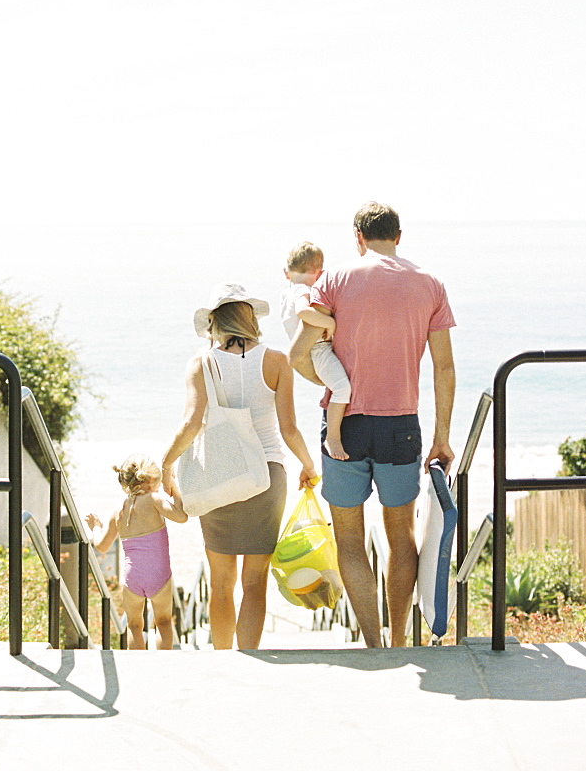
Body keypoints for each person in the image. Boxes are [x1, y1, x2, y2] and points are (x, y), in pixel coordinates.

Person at [289, 202, 456, 648]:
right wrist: (442, 437)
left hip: (344, 424)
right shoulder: (430, 284)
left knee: (349, 537)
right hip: (401, 424)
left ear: (357, 237)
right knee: (400, 535)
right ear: (399, 236)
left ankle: (373, 644)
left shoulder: (337, 279)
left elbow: (299, 353)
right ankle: (398, 637)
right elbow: (444, 367)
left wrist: (328, 383)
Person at [162, 283, 317, 650]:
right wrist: (309, 465)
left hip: (217, 476)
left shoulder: (202, 363)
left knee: (220, 583)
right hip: (266, 477)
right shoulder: (277, 361)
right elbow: (289, 429)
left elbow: (192, 423)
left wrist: (167, 464)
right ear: (251, 319)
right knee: (253, 583)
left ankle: (222, 659)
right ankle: (250, 657)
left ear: (214, 324)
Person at [86, 455, 187, 650]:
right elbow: (181, 516)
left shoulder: (119, 511)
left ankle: (138, 667)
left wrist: (95, 527)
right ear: (150, 481)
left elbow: (101, 546)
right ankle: (164, 665)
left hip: (133, 578)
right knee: (164, 622)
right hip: (159, 575)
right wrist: (173, 486)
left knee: (134, 626)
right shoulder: (154, 499)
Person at [280, 241, 351, 460]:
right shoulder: (304, 290)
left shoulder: (288, 291)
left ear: (286, 273)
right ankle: (333, 437)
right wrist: (329, 324)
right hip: (318, 349)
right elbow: (303, 311)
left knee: (337, 386)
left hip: (314, 350)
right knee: (342, 389)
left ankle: (332, 434)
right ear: (319, 272)